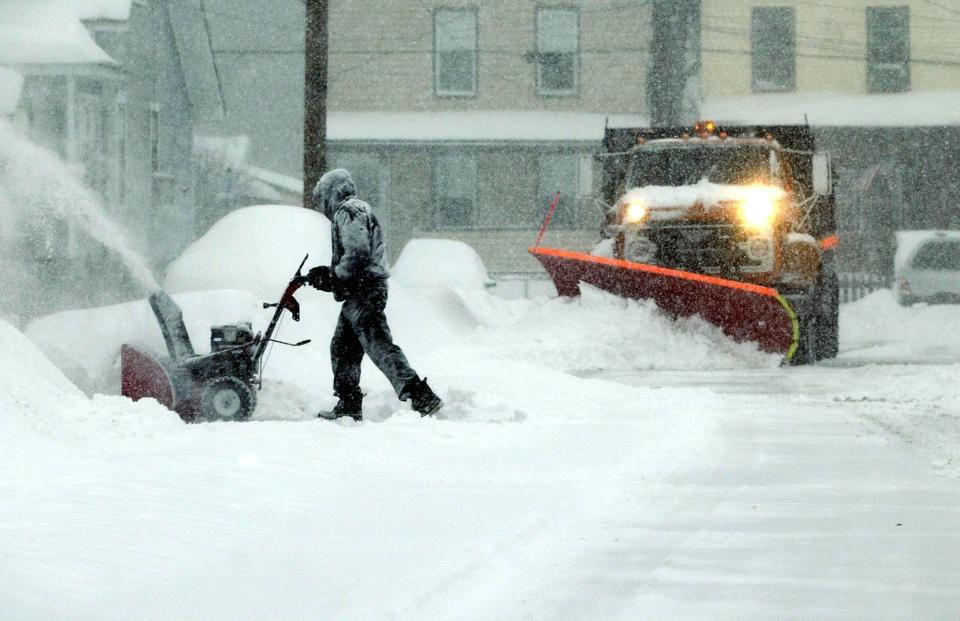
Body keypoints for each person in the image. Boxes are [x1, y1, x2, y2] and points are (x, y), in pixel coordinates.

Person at [306, 168, 443, 421]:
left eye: (323, 197)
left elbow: (357, 252)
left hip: (365, 290)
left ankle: (421, 396)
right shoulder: (355, 210)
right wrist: (330, 275)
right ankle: (348, 403)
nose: (322, 204)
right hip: (360, 290)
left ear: (333, 193)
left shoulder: (349, 211)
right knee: (343, 347)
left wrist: (335, 276)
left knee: (379, 345)